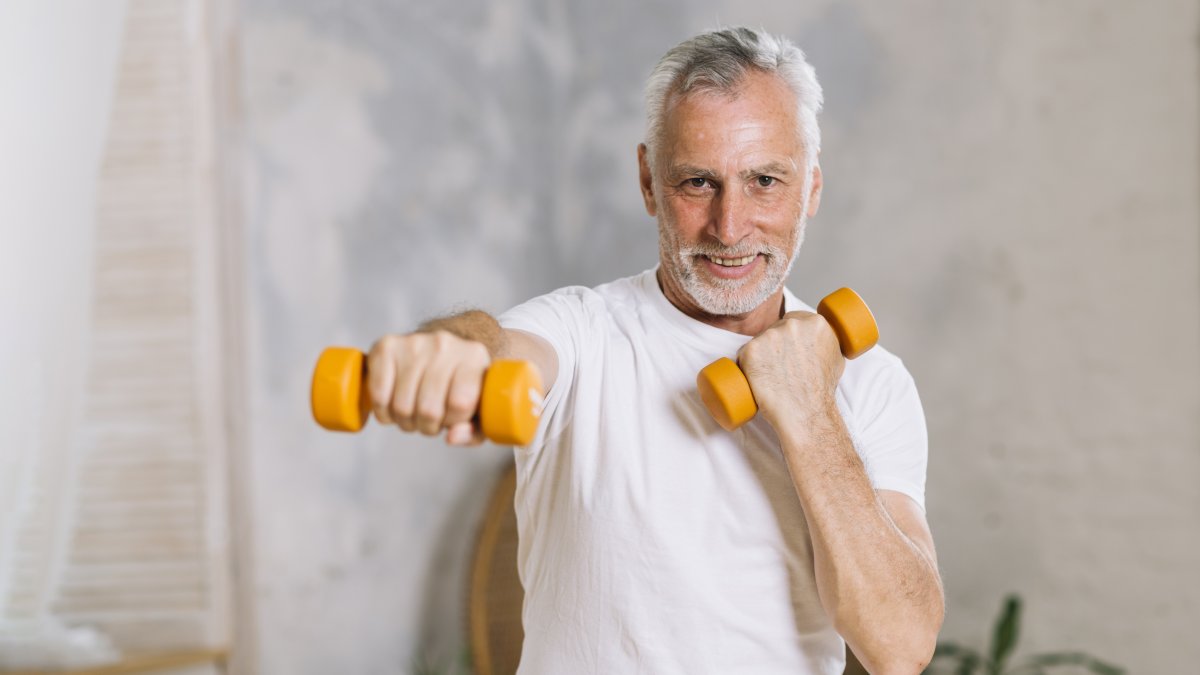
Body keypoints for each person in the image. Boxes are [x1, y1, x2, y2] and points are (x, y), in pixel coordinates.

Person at [367, 27, 943, 675]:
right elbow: (496, 349)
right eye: (698, 182)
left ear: (810, 186)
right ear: (648, 181)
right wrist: (449, 353)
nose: (730, 227)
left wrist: (811, 414)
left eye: (764, 181)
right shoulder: (584, 333)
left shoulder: (873, 383)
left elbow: (900, 645)